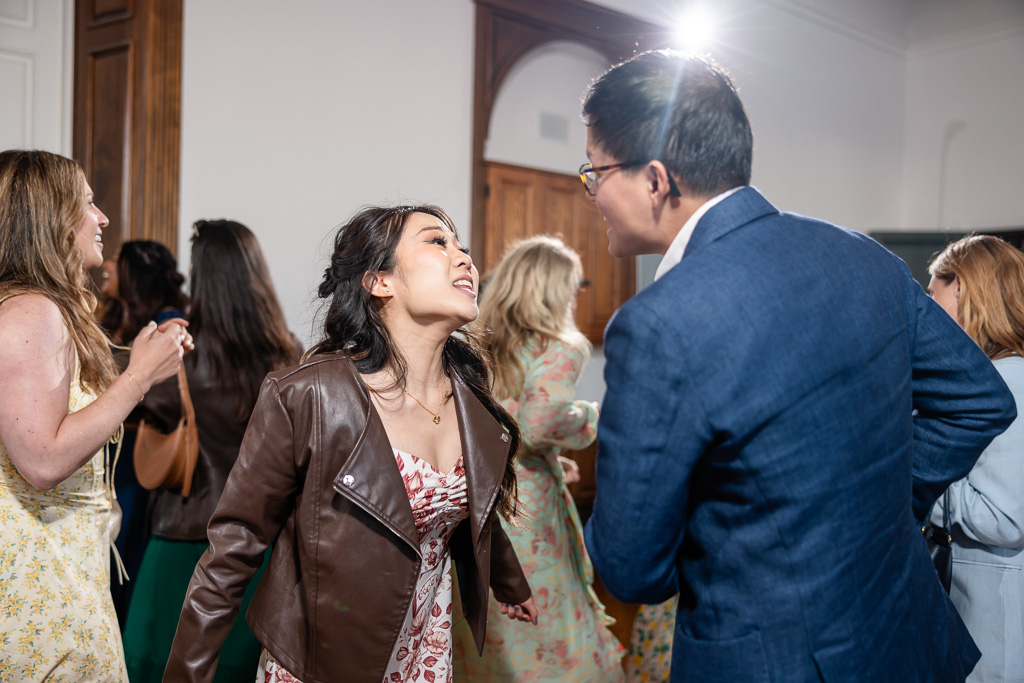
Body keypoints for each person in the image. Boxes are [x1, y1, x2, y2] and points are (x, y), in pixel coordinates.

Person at [578, 51, 1017, 682]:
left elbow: (629, 567)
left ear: (655, 180)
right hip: (906, 635)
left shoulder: (659, 323)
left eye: (595, 172)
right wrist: (890, 494)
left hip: (777, 658)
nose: (591, 192)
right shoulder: (862, 257)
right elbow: (980, 400)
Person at [163, 205, 538, 682]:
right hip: (324, 660)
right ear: (379, 281)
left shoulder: (473, 401)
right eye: (437, 242)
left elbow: (458, 505)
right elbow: (233, 550)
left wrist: (508, 579)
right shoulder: (308, 397)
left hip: (425, 654)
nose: (464, 258)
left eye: (462, 246)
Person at [0, 149, 189, 681]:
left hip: (58, 573)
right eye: (86, 203)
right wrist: (138, 378)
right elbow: (41, 458)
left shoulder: (33, 306)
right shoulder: (32, 310)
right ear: (49, 219)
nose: (102, 217)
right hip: (38, 586)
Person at [122, 221, 301, 680]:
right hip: (257, 545)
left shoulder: (181, 351)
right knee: (242, 669)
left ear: (202, 274)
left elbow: (132, 406)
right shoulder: (288, 353)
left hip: (183, 536)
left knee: (158, 664)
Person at [452, 235, 624, 681]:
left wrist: (546, 457)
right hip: (528, 508)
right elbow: (538, 423)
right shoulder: (560, 346)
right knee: (546, 615)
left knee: (492, 619)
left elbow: (491, 423)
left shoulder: (474, 342)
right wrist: (590, 418)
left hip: (480, 491)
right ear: (552, 291)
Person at [926, 235, 1024, 682]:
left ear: (964, 289)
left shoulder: (1010, 379)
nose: (927, 311)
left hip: (998, 631)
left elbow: (1005, 517)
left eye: (933, 295)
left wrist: (925, 479)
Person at [108, 240, 190, 628]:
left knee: (124, 548)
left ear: (133, 277)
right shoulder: (119, 316)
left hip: (135, 455)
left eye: (117, 264)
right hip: (113, 452)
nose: (107, 266)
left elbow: (167, 399)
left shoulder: (168, 323)